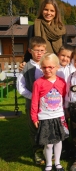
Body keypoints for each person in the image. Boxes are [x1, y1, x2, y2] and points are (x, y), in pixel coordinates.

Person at [31, 53, 68, 171]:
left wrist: (65, 113)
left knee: (58, 141)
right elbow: (34, 101)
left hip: (58, 116)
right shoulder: (38, 83)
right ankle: (48, 163)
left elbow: (64, 98)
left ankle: (57, 162)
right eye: (44, 67)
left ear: (57, 67)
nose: (47, 70)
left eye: (50, 67)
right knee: (48, 143)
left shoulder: (62, 82)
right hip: (45, 117)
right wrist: (34, 118)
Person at [17, 36, 46, 165]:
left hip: (48, 104)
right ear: (30, 50)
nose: (39, 53)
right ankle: (37, 151)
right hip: (32, 103)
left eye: (42, 50)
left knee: (46, 126)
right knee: (34, 128)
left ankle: (48, 149)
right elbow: (20, 87)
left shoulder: (48, 64)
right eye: (37, 50)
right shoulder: (25, 67)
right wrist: (33, 97)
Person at [20, 0, 66, 69]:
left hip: (58, 66)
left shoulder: (61, 30)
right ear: (41, 11)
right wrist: (25, 62)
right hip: (40, 67)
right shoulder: (33, 28)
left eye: (52, 11)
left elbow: (65, 50)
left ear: (56, 13)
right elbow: (30, 49)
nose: (48, 13)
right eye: (46, 10)